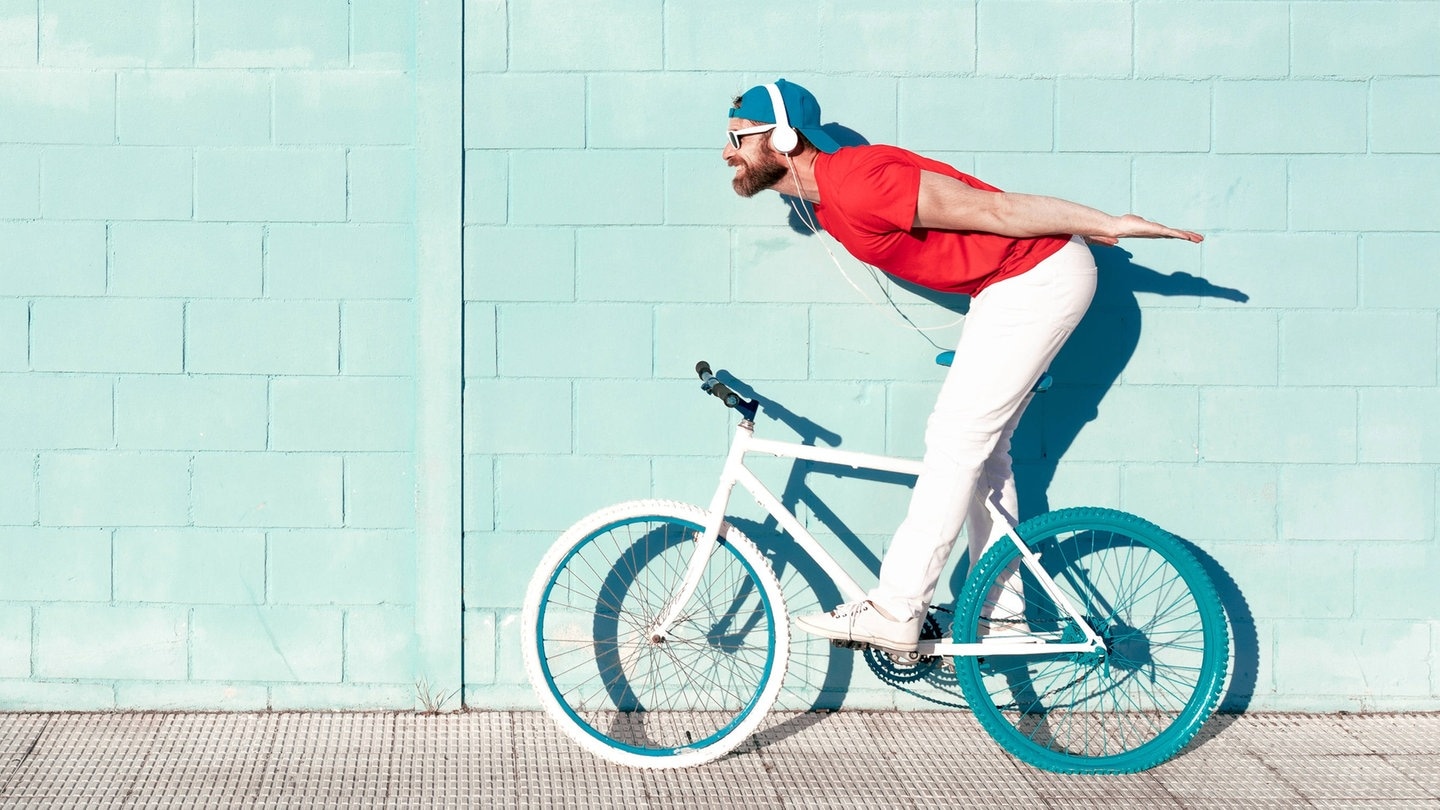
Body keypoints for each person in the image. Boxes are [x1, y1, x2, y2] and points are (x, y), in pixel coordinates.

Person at [723, 79, 1203, 653]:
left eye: (738, 137)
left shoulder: (861, 183)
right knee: (982, 453)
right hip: (1009, 286)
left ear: (781, 137)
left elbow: (994, 208)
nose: (727, 151)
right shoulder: (824, 202)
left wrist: (1107, 222)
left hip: (1036, 277)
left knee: (954, 438)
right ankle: (1004, 616)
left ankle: (897, 607)